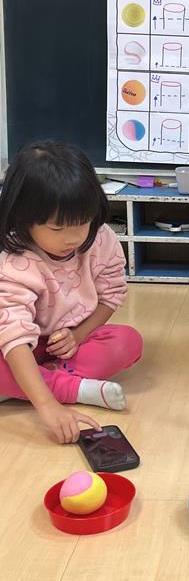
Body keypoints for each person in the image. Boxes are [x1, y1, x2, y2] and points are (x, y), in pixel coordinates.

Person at [0, 142, 143, 442]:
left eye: (83, 222)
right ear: (23, 219)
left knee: (128, 341)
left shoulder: (100, 239)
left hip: (67, 342)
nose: (74, 238)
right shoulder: (15, 261)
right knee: (10, 361)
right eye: (57, 229)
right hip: (16, 347)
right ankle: (72, 388)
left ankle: (25, 384)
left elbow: (110, 296)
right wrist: (47, 406)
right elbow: (13, 337)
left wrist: (78, 335)